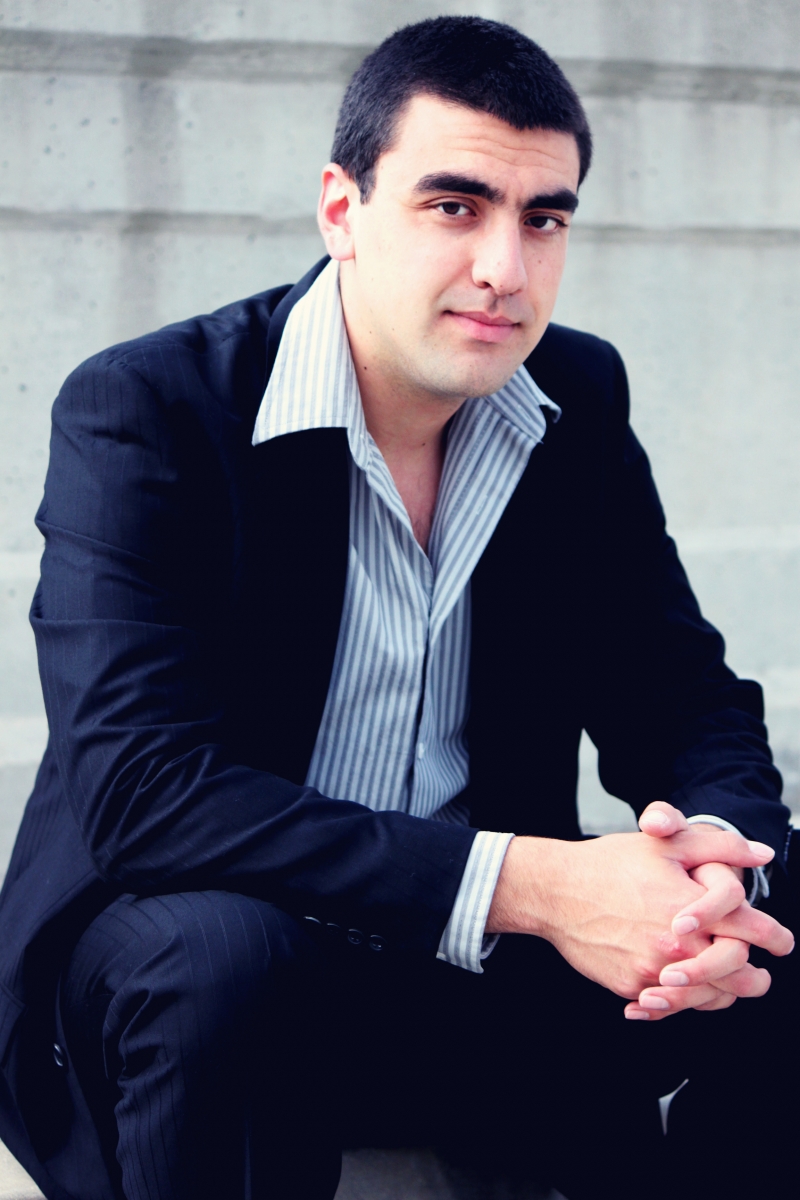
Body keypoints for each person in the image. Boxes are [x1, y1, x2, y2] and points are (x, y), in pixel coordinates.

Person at [0, 16, 794, 1200]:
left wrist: (718, 872)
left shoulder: (572, 392)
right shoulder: (151, 408)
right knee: (223, 952)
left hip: (463, 973)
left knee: (768, 913)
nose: (503, 267)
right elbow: (143, 794)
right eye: (453, 206)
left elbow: (679, 697)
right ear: (343, 210)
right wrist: (534, 884)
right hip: (204, 965)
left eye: (543, 218)